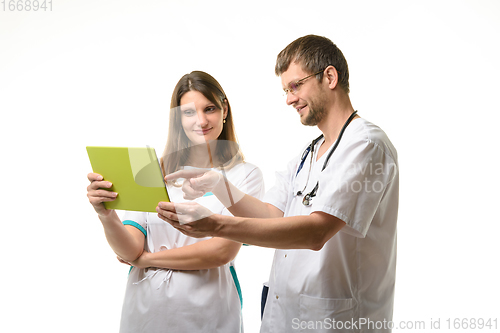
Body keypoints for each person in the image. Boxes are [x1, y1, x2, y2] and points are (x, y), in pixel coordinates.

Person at [157, 35, 399, 333]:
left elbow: (316, 232)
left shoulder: (366, 145)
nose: (289, 99)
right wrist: (218, 184)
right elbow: (271, 216)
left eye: (295, 86)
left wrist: (215, 225)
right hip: (286, 315)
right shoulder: (308, 154)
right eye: (285, 90)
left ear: (330, 77)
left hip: (336, 320)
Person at [86, 71, 265, 332]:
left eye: (210, 108)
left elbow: (222, 251)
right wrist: (105, 214)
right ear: (178, 119)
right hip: (146, 312)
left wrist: (148, 260)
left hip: (209, 314)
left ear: (224, 110)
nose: (201, 120)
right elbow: (129, 251)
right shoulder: (149, 172)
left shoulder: (244, 176)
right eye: (189, 112)